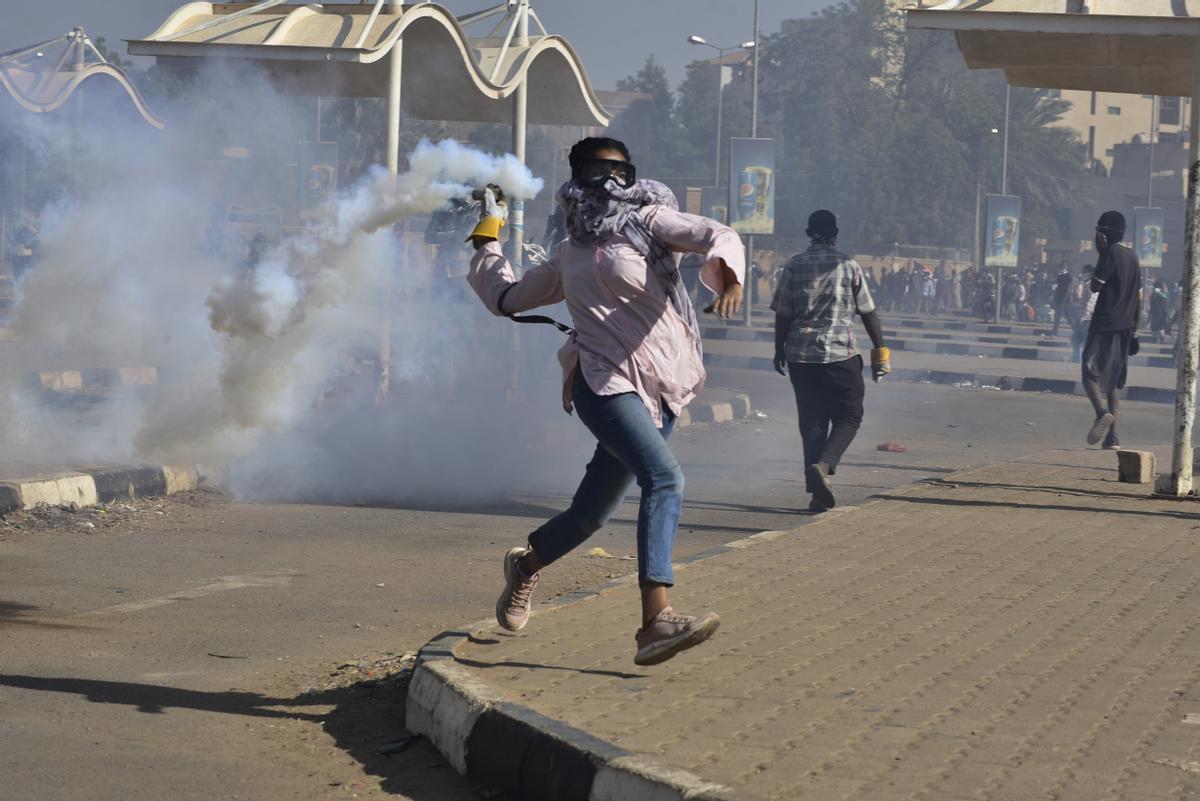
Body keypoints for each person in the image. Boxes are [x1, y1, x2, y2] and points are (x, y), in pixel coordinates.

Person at [465, 137, 745, 666]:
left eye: (620, 170)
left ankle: (526, 566)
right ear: (576, 175)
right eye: (598, 170)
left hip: (659, 388)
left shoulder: (651, 222)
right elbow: (505, 297)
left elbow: (715, 234)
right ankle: (655, 622)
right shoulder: (569, 250)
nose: (609, 182)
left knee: (592, 515)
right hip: (601, 382)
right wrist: (489, 231)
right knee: (664, 479)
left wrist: (727, 275)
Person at [772, 210, 890, 513]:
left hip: (800, 356)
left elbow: (783, 314)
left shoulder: (794, 265)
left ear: (808, 232)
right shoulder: (848, 265)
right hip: (841, 355)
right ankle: (824, 467)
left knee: (812, 424)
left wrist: (778, 351)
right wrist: (881, 352)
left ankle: (817, 493)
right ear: (835, 232)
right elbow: (868, 312)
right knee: (850, 415)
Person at [1082, 211, 1141, 450]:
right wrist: (1135, 331)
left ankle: (1100, 413)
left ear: (1104, 234)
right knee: (1114, 383)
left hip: (1105, 323)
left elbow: (1095, 286)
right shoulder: (1133, 257)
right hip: (1126, 326)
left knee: (1089, 372)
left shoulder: (1111, 253)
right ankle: (1112, 438)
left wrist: (1101, 253)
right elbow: (1138, 298)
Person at [1052, 264, 1073, 336]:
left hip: (1065, 299)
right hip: (1058, 298)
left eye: (1064, 266)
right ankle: (1055, 331)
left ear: (1066, 267)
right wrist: (1054, 297)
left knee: (1068, 316)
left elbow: (1069, 289)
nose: (1062, 267)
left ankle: (1076, 330)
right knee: (1057, 315)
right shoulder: (1059, 276)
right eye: (1062, 266)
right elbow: (1056, 288)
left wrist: (1065, 299)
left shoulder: (1069, 276)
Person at [1149, 279, 1170, 344]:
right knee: (1155, 327)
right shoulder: (1154, 293)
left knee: (1160, 327)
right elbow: (1152, 301)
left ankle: (1160, 339)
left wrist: (1159, 293)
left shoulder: (1164, 292)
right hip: (1157, 312)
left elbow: (1166, 299)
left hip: (1161, 312)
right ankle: (1155, 339)